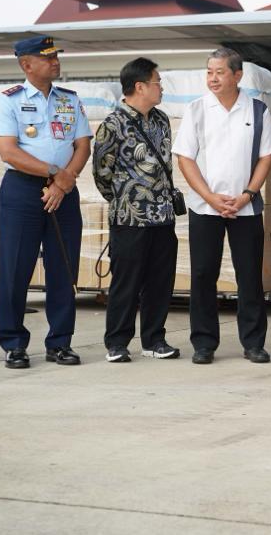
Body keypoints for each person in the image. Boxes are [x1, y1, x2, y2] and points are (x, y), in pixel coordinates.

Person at [0, 35, 92, 369]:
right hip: (22, 192)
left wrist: (64, 181)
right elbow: (8, 151)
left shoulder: (69, 100)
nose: (55, 62)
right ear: (26, 64)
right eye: (47, 57)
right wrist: (53, 173)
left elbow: (82, 146)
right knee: (15, 269)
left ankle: (60, 343)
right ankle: (14, 344)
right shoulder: (9, 101)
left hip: (64, 192)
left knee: (63, 268)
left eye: (56, 56)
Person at [173, 48, 271, 365]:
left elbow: (266, 157)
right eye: (209, 72)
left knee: (249, 277)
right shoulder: (196, 110)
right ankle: (204, 343)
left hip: (245, 207)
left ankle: (254, 343)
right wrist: (209, 196)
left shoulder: (257, 110)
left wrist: (247, 194)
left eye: (220, 72)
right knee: (204, 274)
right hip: (205, 208)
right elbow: (185, 158)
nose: (213, 78)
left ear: (237, 75)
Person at [92, 57, 180, 363]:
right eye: (157, 82)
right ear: (140, 86)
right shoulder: (112, 125)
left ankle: (154, 339)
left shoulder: (162, 120)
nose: (161, 88)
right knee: (126, 283)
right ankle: (117, 341)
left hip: (163, 216)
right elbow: (101, 172)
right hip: (129, 218)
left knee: (160, 281)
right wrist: (122, 200)